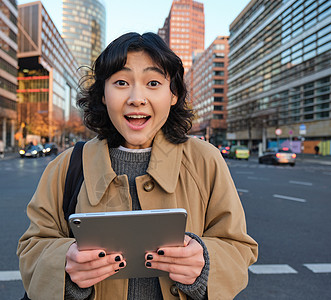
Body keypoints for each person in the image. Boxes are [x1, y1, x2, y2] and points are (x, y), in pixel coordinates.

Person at [17, 32, 258, 300]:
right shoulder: (65, 166)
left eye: (153, 82)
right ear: (104, 94)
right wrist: (64, 264)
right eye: (121, 82)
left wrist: (203, 263)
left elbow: (239, 247)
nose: (137, 98)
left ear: (174, 94)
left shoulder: (206, 160)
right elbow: (32, 248)